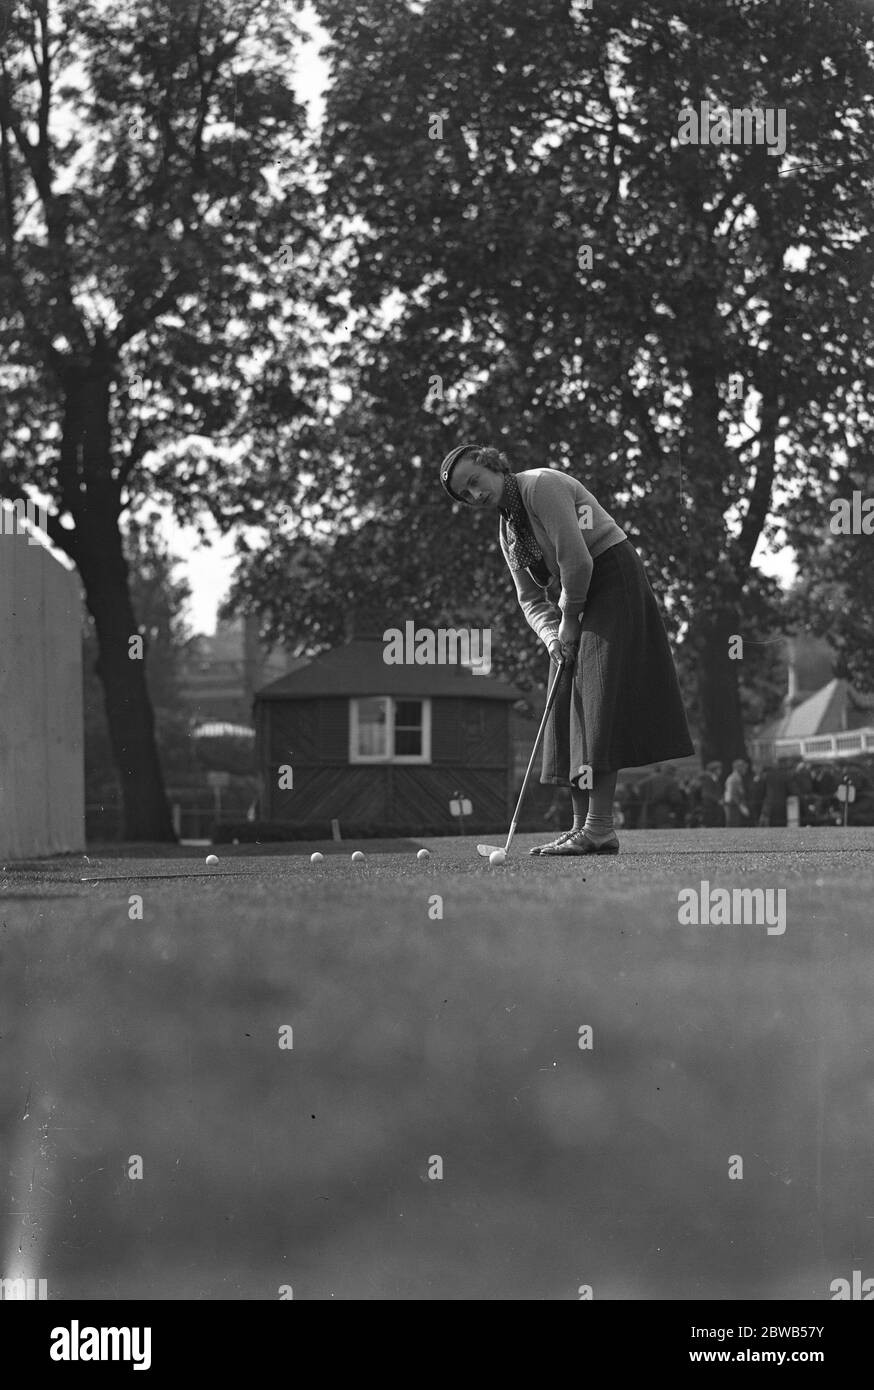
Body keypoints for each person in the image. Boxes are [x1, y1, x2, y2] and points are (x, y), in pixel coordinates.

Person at [438, 444, 694, 854]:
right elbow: (529, 599)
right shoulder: (507, 530)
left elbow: (577, 560)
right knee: (565, 705)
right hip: (573, 599)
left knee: (595, 698)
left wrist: (570, 618)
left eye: (474, 481)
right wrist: (553, 637)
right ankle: (581, 829)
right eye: (465, 494)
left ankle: (599, 827)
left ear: (491, 465)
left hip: (610, 575)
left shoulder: (540, 486)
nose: (475, 495)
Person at [723, 759, 750, 827]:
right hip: (733, 806)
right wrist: (741, 807)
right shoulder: (735, 778)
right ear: (739, 768)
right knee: (733, 827)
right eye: (744, 767)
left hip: (733, 805)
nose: (745, 769)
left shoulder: (736, 777)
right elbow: (733, 794)